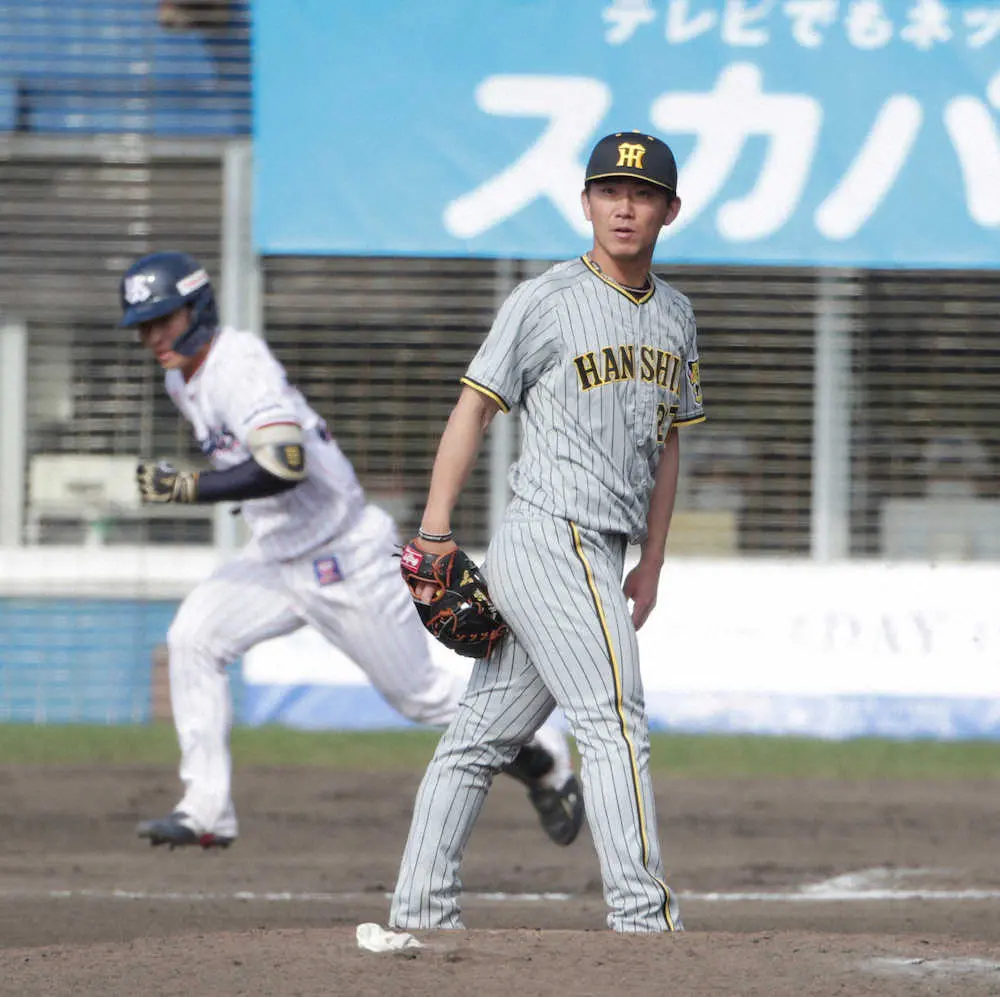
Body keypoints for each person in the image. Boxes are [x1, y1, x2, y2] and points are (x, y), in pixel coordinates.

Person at [118, 250, 584, 850]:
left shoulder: (238, 364)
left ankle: (543, 754)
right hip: (275, 556)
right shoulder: (182, 376)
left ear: (197, 307)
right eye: (144, 326)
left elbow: (285, 465)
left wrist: (189, 487)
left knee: (420, 698)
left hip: (343, 556)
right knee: (193, 639)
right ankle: (205, 810)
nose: (154, 335)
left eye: (164, 319)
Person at [387, 130, 704, 934]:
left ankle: (420, 909)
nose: (622, 205)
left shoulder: (675, 314)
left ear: (670, 209)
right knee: (613, 717)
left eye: (640, 194)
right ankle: (644, 917)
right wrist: (433, 529)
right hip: (551, 535)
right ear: (587, 202)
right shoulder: (546, 298)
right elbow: (477, 405)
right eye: (607, 190)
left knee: (478, 737)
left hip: (606, 548)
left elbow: (669, 440)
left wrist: (655, 558)